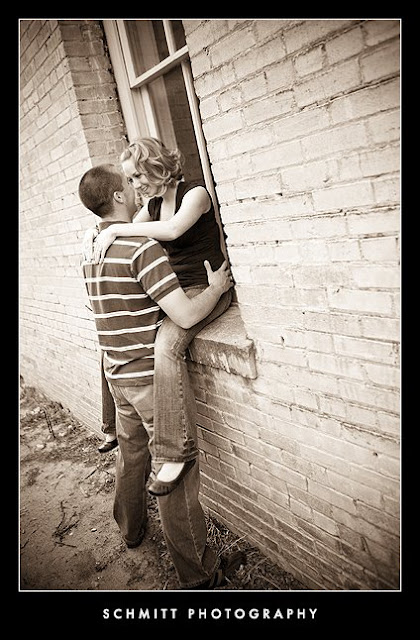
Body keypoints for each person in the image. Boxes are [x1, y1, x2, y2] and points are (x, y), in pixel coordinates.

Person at [79, 163, 245, 589]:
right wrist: (216, 288)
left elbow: (97, 307)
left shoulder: (90, 249)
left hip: (116, 371)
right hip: (148, 377)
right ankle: (199, 575)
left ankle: (130, 529)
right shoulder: (142, 247)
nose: (136, 189)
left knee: (132, 453)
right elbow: (185, 315)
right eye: (129, 183)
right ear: (119, 197)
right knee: (176, 469)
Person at [84, 138, 232, 495]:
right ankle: (111, 426)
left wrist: (114, 229)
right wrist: (98, 232)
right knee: (115, 331)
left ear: (157, 166)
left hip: (205, 288)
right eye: (130, 179)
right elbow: (127, 231)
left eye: (137, 176)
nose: (134, 185)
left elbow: (172, 230)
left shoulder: (195, 193)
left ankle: (174, 453)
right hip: (175, 293)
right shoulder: (152, 204)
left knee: (165, 347)